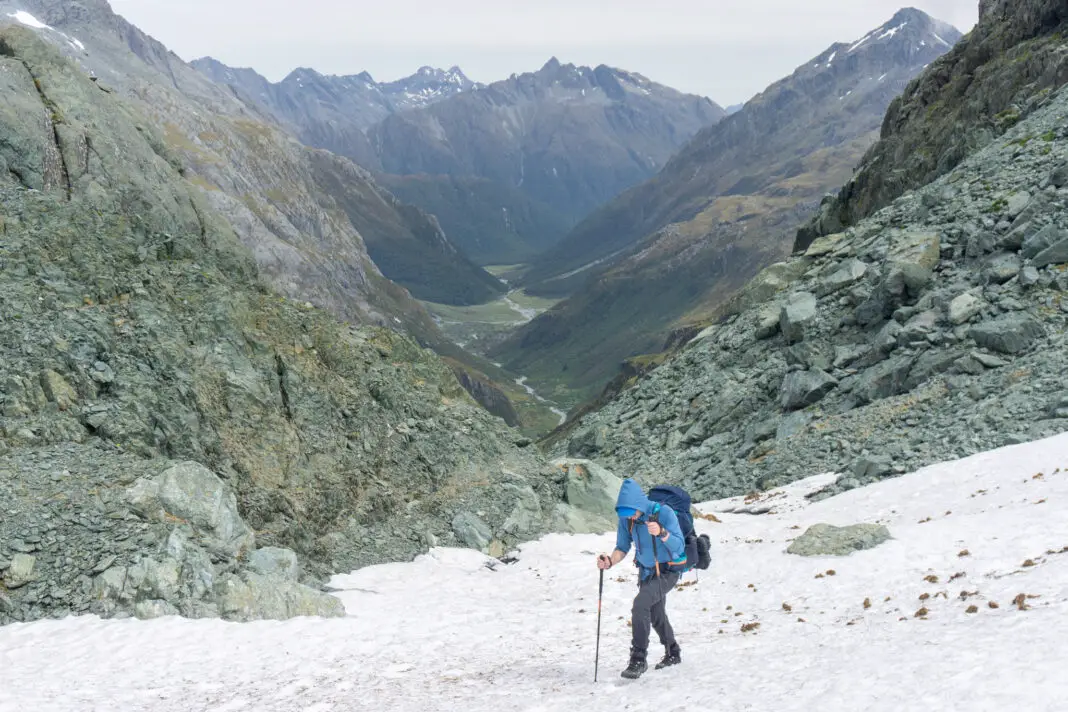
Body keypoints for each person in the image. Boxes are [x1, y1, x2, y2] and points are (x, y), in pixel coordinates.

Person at [596, 478, 686, 679]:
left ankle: (638, 659)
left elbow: (679, 546)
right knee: (655, 613)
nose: (630, 518)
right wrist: (610, 561)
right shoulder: (627, 519)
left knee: (640, 605)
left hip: (668, 571)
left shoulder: (664, 513)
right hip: (646, 571)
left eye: (632, 513)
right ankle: (673, 652)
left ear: (638, 505)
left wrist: (662, 533)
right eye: (626, 515)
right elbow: (622, 547)